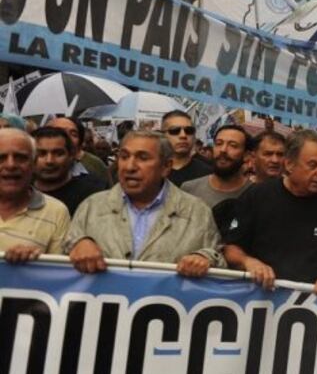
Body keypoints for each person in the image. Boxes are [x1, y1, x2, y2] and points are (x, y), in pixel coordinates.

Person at [223, 130, 317, 296]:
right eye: (313, 165)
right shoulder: (257, 196)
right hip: (261, 299)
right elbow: (230, 249)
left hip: (316, 305)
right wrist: (249, 262)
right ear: (289, 164)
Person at [65, 130, 223, 276]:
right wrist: (78, 243)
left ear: (166, 167)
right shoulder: (92, 207)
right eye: (124, 156)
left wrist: (205, 258)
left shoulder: (196, 212)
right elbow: (61, 261)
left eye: (143, 158)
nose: (130, 166)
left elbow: (220, 265)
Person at [0, 128, 70, 263]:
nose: (11, 165)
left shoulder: (56, 212)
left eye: (21, 158)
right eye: (1, 158)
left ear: (33, 164)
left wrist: (37, 262)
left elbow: (59, 274)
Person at [181, 124, 252, 237]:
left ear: (246, 155)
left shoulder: (255, 194)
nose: (223, 150)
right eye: (218, 144)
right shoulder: (189, 188)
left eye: (233, 145)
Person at [32, 126, 104, 215]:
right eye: (41, 154)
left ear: (71, 156)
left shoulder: (94, 193)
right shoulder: (19, 191)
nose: (49, 161)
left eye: (58, 154)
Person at [45, 117, 110, 187]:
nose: (68, 138)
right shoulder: (34, 176)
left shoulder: (93, 184)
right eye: (61, 132)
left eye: (73, 134)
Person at [161, 110, 212, 186]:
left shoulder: (208, 174)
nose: (183, 135)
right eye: (175, 131)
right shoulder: (152, 170)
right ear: (162, 135)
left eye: (189, 131)